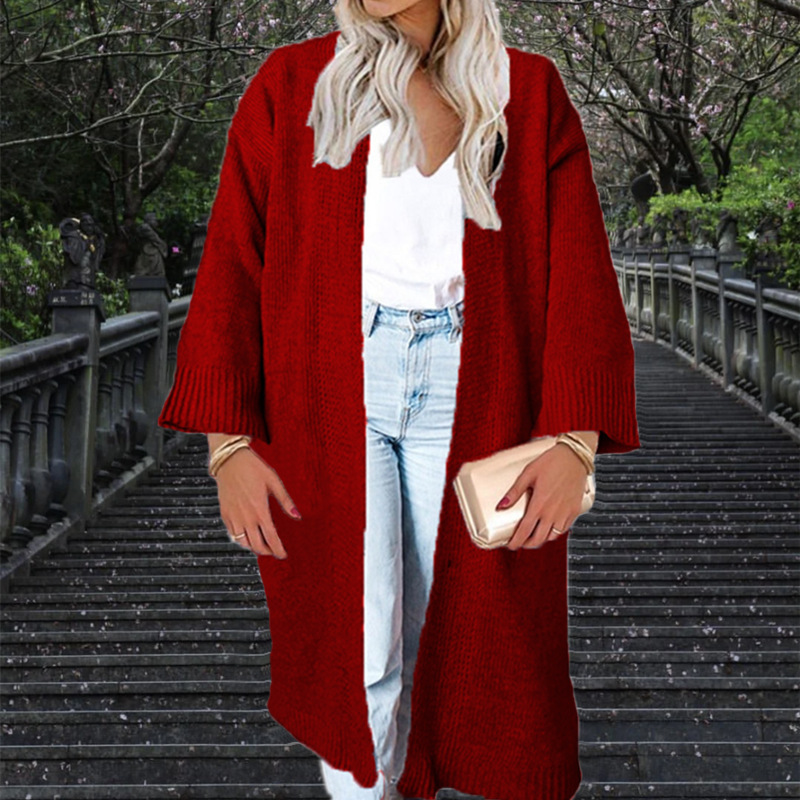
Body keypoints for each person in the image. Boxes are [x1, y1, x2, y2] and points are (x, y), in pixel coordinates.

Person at [158, 1, 641, 799]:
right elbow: (235, 260)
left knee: (467, 633)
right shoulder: (291, 83)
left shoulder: (527, 89)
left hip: (477, 380)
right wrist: (228, 445)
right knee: (359, 642)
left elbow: (579, 269)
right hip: (327, 384)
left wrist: (575, 441)